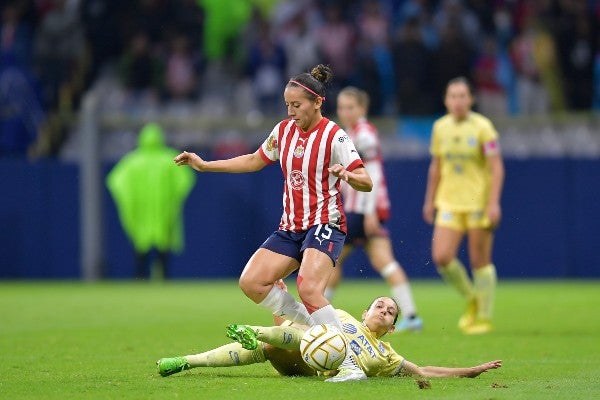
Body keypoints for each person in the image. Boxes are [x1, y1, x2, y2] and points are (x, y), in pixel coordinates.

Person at [174, 64, 373, 379]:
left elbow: (366, 180)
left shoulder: (335, 136)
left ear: (318, 102)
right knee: (251, 282)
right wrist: (206, 165)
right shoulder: (283, 132)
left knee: (308, 287)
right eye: (287, 105)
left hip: (325, 224)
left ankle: (349, 365)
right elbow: (254, 160)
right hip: (291, 227)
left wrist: (347, 174)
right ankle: (314, 328)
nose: (291, 111)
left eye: (297, 105)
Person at [156, 292, 502, 383]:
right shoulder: (339, 317)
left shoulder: (387, 356)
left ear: (392, 327)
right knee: (276, 341)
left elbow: (424, 371)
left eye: (390, 311)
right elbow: (299, 324)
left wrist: (469, 371)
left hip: (311, 369)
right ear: (364, 313)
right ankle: (184, 362)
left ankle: (256, 333)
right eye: (379, 306)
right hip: (298, 346)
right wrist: (280, 299)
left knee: (277, 342)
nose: (383, 310)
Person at [325, 87, 423, 333]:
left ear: (362, 109)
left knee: (328, 261)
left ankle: (319, 315)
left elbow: (374, 175)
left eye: (351, 107)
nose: (345, 112)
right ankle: (411, 315)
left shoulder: (364, 135)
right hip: (360, 208)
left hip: (361, 210)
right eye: (342, 107)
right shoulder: (352, 133)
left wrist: (368, 213)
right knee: (384, 262)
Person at [423, 77, 504, 335]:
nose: (457, 101)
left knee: (480, 260)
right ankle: (472, 297)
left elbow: (496, 167)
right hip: (448, 200)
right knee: (442, 257)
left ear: (471, 99)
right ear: (446, 100)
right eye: (452, 96)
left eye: (462, 96)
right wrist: (429, 199)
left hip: (477, 201)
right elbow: (436, 166)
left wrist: (493, 203)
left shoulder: (483, 127)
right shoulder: (440, 128)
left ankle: (484, 316)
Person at [106, 123, 196, 279]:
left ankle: (140, 278)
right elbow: (186, 180)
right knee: (163, 247)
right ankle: (163, 277)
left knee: (141, 247)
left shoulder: (132, 161)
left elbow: (116, 181)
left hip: (141, 212)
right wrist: (171, 197)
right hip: (163, 210)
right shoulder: (169, 159)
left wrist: (132, 199)